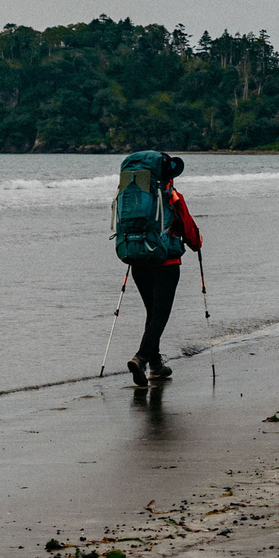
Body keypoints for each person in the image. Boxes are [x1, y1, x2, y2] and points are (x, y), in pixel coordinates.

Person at [122, 157, 201, 387]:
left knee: (152, 312)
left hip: (138, 261)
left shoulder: (133, 195)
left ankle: (155, 365)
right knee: (159, 314)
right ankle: (141, 357)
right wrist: (197, 242)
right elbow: (189, 230)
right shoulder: (172, 196)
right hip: (166, 264)